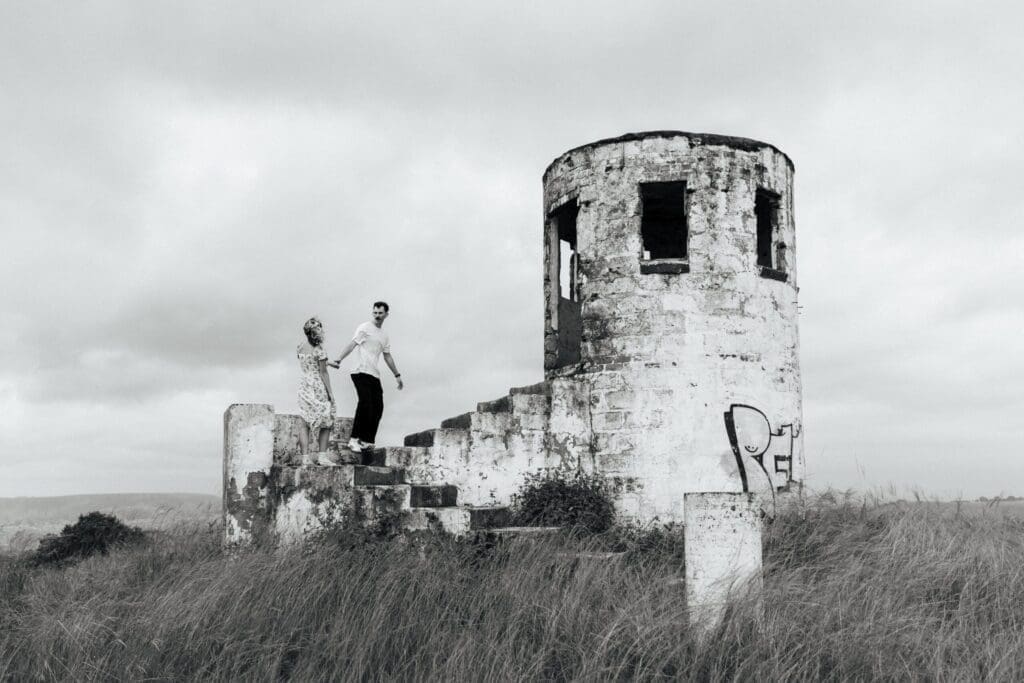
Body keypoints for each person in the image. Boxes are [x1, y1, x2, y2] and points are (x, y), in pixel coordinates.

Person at [329, 301, 403, 453]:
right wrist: (339, 359)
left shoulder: (384, 335)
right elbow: (353, 344)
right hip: (360, 370)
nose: (377, 316)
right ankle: (354, 439)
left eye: (380, 313)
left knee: (378, 407)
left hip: (374, 373)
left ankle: (367, 440)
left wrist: (397, 375)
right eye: (375, 313)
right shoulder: (365, 328)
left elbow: (387, 356)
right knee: (365, 403)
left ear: (386, 315)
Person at [296, 316, 336, 463]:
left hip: (304, 385)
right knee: (327, 420)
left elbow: (309, 361)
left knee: (304, 421)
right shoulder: (320, 349)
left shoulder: (300, 347)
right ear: (315, 331)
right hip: (317, 386)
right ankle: (322, 457)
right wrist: (330, 393)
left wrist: (328, 362)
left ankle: (305, 458)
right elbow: (322, 372)